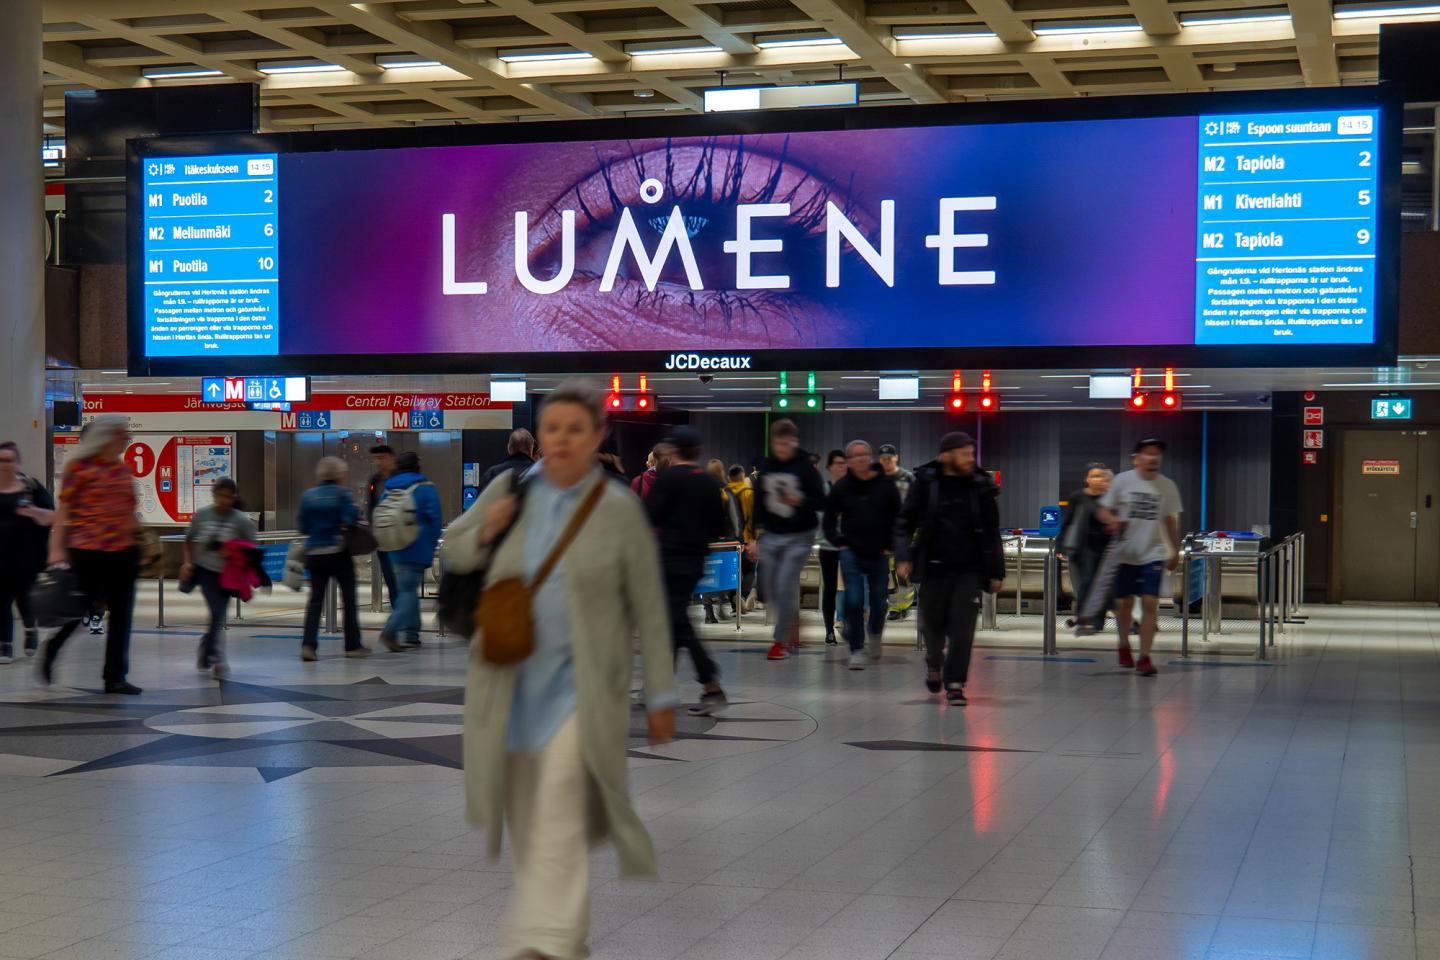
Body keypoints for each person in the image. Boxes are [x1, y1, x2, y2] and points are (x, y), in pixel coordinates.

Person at [441, 380, 677, 960]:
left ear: (598, 436)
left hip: (584, 687)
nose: (562, 440)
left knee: (560, 804)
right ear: (539, 435)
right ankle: (564, 934)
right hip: (511, 682)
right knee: (527, 817)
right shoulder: (511, 488)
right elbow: (454, 550)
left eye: (576, 429)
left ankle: (541, 941)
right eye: (553, 429)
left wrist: (664, 693)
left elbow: (649, 600)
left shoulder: (619, 508)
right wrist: (487, 528)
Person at [895, 432, 1004, 705]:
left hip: (969, 568)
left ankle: (955, 682)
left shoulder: (980, 485)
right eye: (964, 454)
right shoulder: (927, 482)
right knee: (931, 625)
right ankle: (934, 660)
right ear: (947, 455)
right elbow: (904, 521)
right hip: (933, 566)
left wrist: (996, 571)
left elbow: (991, 531)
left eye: (971, 454)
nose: (970, 459)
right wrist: (904, 555)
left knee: (963, 627)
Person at [40, 416, 143, 694]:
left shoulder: (122, 470)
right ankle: (52, 647)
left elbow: (128, 511)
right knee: (79, 609)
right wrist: (57, 547)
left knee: (122, 615)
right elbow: (64, 510)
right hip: (88, 552)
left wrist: (141, 543)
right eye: (122, 434)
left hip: (123, 552)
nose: (126, 438)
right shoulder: (79, 468)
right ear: (106, 436)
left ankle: (115, 676)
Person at [647, 428, 730, 715]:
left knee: (678, 622)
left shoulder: (667, 479)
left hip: (668, 561)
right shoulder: (710, 483)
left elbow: (649, 517)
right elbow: (720, 528)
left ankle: (711, 684)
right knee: (674, 621)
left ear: (674, 450)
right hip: (695, 561)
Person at [1094, 439, 1182, 678]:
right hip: (1125, 554)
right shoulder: (1123, 481)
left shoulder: (1167, 486)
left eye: (1157, 454)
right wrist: (1111, 521)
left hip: (1152, 554)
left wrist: (1175, 550)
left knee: (1150, 603)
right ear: (1138, 457)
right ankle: (1124, 644)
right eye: (1148, 454)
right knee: (1124, 605)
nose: (1153, 458)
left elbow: (1170, 520)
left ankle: (1144, 657)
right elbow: (1102, 508)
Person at [750, 419, 824, 661]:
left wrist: (799, 500)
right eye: (778, 444)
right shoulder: (767, 466)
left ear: (795, 442)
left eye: (787, 444)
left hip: (800, 535)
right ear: (773, 443)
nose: (783, 449)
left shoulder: (805, 467)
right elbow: (758, 503)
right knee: (768, 588)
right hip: (772, 533)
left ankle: (779, 641)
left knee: (784, 583)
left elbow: (821, 501)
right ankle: (792, 619)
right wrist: (753, 536)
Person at [824, 441, 902, 669]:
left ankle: (875, 633)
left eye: (865, 454)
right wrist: (839, 543)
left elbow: (898, 516)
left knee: (879, 600)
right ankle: (856, 648)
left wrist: (891, 544)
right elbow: (828, 522)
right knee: (854, 600)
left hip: (878, 552)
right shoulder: (842, 487)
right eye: (856, 456)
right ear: (848, 461)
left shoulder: (885, 485)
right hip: (851, 552)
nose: (862, 459)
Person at [182, 477, 257, 679]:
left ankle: (207, 649)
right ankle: (218, 658)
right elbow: (189, 538)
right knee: (217, 612)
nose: (225, 501)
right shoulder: (203, 515)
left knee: (219, 614)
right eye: (221, 496)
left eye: (229, 497)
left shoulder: (240, 520)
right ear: (214, 495)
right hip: (206, 571)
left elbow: (252, 547)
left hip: (229, 574)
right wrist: (188, 563)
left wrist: (233, 551)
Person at [297, 457, 368, 660]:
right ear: (338, 475)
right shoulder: (342, 494)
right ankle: (352, 645)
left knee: (315, 601)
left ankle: (308, 646)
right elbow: (349, 518)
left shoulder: (308, 496)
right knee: (349, 599)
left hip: (315, 554)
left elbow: (302, 526)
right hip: (338, 553)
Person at [377, 451, 443, 651]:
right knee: (407, 592)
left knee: (407, 590)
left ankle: (412, 634)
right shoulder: (425, 489)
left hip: (394, 548)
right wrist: (430, 546)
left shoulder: (388, 490)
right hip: (416, 548)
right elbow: (435, 521)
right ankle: (391, 629)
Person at [0, 442, 54, 664]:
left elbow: (51, 515)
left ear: (18, 462)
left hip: (26, 556)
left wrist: (34, 512)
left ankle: (30, 629)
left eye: (8, 460)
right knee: (1, 600)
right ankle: (5, 645)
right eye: (0, 460)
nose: (4, 465)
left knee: (25, 599)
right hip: (0, 556)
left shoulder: (31, 488)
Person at [1059, 463, 1113, 631]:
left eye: (1101, 476)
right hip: (1085, 548)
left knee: (1103, 586)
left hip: (1106, 549)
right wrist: (1060, 546)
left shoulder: (1110, 498)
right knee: (1086, 583)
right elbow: (1067, 522)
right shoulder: (1078, 497)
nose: (1098, 479)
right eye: (1094, 476)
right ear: (1087, 479)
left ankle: (1098, 621)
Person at [702, 458, 741, 623]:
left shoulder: (701, 489)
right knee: (723, 574)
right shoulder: (725, 490)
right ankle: (722, 607)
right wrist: (739, 536)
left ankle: (708, 612)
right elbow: (734, 516)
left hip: (705, 538)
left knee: (708, 575)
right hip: (724, 539)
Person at [817, 450, 846, 645]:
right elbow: (821, 518)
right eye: (837, 463)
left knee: (853, 587)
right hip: (828, 546)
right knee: (830, 588)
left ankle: (850, 624)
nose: (841, 467)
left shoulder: (852, 489)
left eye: (844, 463)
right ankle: (829, 631)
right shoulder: (824, 490)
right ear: (829, 467)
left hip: (847, 546)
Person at [367, 444, 398, 609]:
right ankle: (398, 612)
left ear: (391, 458)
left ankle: (402, 619)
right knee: (390, 579)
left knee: (400, 580)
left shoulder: (400, 478)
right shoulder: (375, 480)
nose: (378, 462)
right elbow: (371, 507)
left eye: (381, 458)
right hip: (382, 539)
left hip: (400, 538)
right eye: (376, 458)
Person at [726, 464, 758, 610]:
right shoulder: (749, 494)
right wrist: (754, 539)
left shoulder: (724, 492)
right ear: (742, 476)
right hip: (745, 538)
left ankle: (734, 604)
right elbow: (752, 519)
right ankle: (743, 596)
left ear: (729, 477)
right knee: (749, 570)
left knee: (731, 572)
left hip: (728, 540)